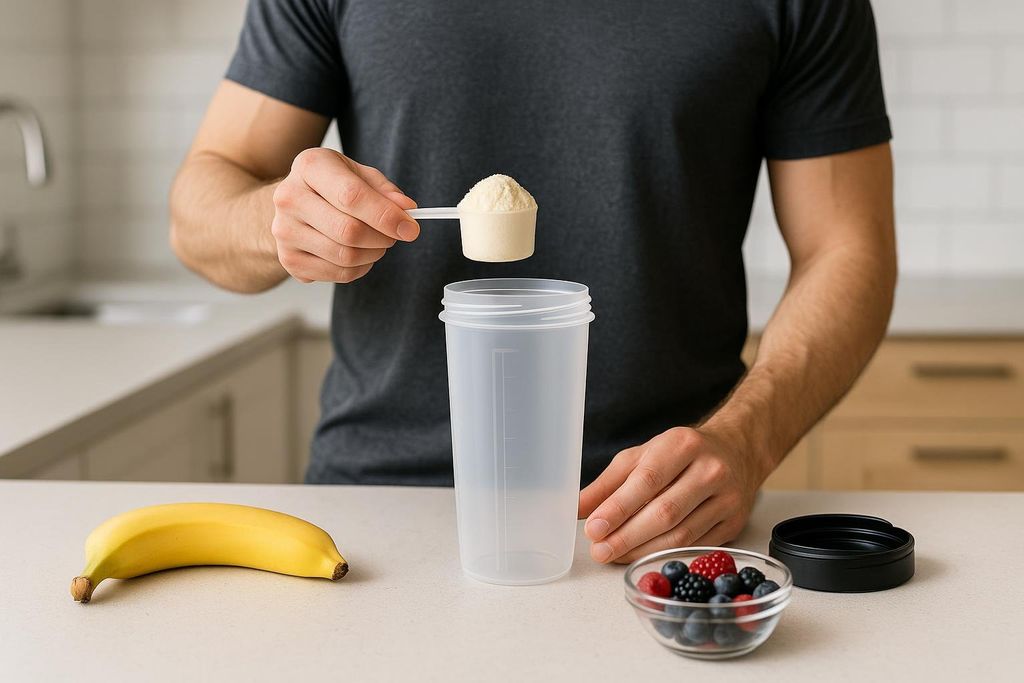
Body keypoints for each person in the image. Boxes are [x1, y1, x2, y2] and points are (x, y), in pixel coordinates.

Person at [170, 0, 896, 566]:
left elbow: (847, 249)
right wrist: (277, 218)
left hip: (660, 521)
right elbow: (199, 211)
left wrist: (747, 440)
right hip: (378, 514)